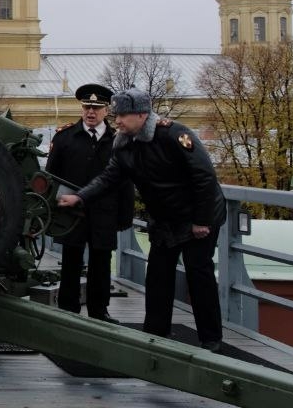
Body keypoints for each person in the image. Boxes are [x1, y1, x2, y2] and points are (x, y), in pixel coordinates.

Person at [57, 87, 226, 350]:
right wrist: (80, 197)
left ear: (141, 115)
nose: (118, 121)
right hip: (164, 220)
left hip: (197, 216)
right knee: (157, 276)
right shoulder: (124, 144)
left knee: (198, 274)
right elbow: (109, 178)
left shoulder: (173, 135)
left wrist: (202, 221)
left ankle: (211, 339)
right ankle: (155, 336)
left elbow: (204, 177)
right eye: (116, 116)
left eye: (122, 116)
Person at [45, 83, 133, 323]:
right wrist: (51, 213)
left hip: (104, 212)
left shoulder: (118, 141)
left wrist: (125, 216)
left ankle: (99, 310)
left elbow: (126, 181)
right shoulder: (65, 138)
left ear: (106, 110)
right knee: (71, 260)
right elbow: (50, 177)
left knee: (101, 262)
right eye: (87, 107)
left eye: (96, 107)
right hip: (72, 213)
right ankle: (68, 309)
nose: (90, 112)